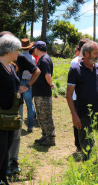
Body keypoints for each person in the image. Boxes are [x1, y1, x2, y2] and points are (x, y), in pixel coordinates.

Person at [0, 31, 40, 177]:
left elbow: (37, 71)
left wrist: (27, 86)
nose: (18, 52)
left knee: (14, 135)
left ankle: (12, 163)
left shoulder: (16, 61)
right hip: (2, 108)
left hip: (15, 106)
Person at [0, 34, 21, 185]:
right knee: (0, 150)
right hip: (0, 116)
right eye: (17, 50)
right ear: (8, 50)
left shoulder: (11, 67)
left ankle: (2, 178)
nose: (18, 53)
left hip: (11, 116)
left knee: (6, 149)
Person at [32, 41, 56, 147]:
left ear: (37, 49)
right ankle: (45, 136)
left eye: (34, 48)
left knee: (46, 116)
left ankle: (50, 138)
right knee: (41, 116)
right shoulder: (42, 59)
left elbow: (47, 75)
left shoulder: (45, 59)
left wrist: (51, 84)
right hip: (39, 93)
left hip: (44, 94)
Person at [70, 38, 90, 153]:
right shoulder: (75, 61)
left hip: (87, 96)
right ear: (83, 48)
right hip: (77, 97)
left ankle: (86, 143)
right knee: (78, 121)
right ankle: (78, 145)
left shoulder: (90, 60)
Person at [20, 38, 36, 132]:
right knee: (29, 104)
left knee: (19, 104)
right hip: (29, 81)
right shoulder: (32, 58)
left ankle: (19, 123)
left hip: (20, 81)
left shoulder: (18, 56)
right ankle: (30, 126)